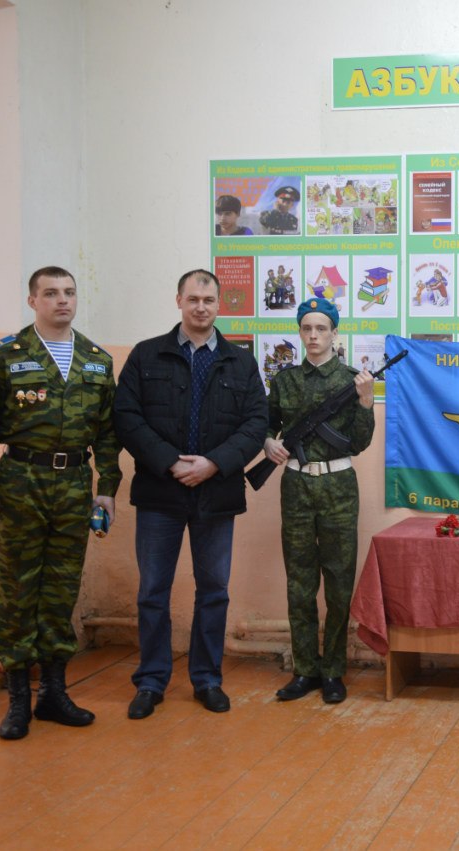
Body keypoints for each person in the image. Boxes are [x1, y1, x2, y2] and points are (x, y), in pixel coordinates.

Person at [0, 265, 121, 740]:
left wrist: (106, 486)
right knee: (17, 592)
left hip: (73, 485)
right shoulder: (5, 357)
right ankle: (17, 701)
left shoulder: (95, 360)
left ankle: (53, 693)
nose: (62, 301)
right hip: (19, 484)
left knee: (60, 591)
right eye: (51, 293)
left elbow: (108, 434)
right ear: (33, 301)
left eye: (69, 292)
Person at [114, 269, 267, 718]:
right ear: (178, 300)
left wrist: (214, 463)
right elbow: (127, 417)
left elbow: (255, 424)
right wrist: (171, 462)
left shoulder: (242, 362)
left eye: (210, 300)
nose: (201, 307)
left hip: (216, 494)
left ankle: (206, 679)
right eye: (193, 298)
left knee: (214, 589)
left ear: (221, 305)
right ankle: (151, 681)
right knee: (153, 591)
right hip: (161, 491)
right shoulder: (146, 356)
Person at [263, 297, 374, 704]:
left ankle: (333, 671)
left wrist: (365, 401)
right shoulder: (284, 380)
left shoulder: (351, 379)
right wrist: (267, 442)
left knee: (340, 583)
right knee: (300, 583)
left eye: (321, 329)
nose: (313, 336)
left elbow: (359, 443)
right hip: (295, 486)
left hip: (339, 487)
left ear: (334, 333)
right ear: (299, 332)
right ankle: (305, 669)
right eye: (307, 328)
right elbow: (267, 423)